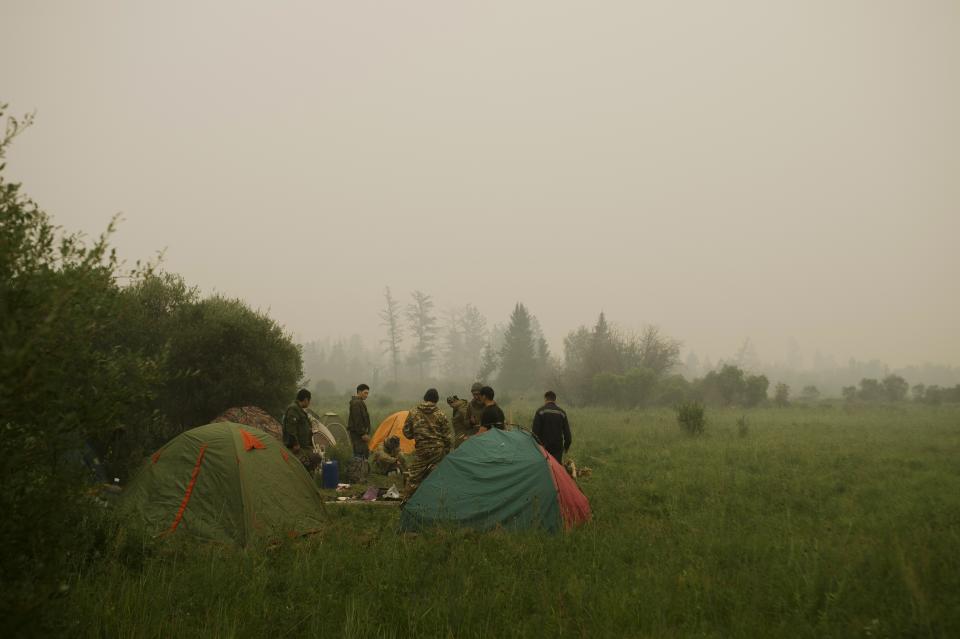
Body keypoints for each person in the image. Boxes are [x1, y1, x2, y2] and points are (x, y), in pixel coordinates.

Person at [402, 388, 452, 499]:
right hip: (438, 450)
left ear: (425, 398)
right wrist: (446, 452)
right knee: (437, 475)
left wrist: (418, 435)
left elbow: (407, 433)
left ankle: (406, 502)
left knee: (414, 476)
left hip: (422, 450)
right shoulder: (441, 414)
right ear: (436, 400)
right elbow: (447, 437)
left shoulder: (413, 412)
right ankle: (438, 501)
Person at [283, 389, 322, 472]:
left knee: (316, 458)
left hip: (304, 446)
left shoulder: (299, 410)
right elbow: (291, 428)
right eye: (309, 400)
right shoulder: (293, 409)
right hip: (297, 447)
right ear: (305, 400)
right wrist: (295, 443)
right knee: (306, 465)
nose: (309, 403)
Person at [532, 390, 572, 463]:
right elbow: (568, 435)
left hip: (543, 448)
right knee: (556, 471)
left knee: (545, 470)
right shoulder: (562, 413)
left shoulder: (540, 411)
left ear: (545, 399)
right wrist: (566, 447)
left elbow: (534, 433)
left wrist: (537, 448)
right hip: (557, 449)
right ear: (555, 400)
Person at [348, 383, 371, 459]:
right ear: (359, 392)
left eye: (367, 393)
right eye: (365, 393)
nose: (366, 395)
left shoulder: (359, 402)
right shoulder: (356, 403)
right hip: (358, 435)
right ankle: (358, 470)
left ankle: (362, 469)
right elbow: (357, 420)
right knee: (359, 454)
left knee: (363, 453)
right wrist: (363, 434)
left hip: (360, 434)